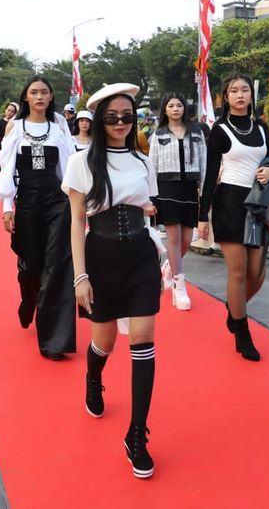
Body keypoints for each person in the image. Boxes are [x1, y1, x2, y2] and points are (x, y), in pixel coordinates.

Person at [63, 83, 161, 479]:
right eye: (112, 117)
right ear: (100, 120)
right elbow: (76, 222)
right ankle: (93, 378)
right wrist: (80, 276)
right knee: (103, 342)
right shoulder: (81, 162)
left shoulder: (142, 159)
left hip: (140, 256)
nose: (121, 123)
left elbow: (149, 206)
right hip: (100, 258)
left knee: (142, 337)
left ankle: (137, 434)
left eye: (127, 116)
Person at [0, 75, 76, 360]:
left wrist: (78, 206)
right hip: (27, 204)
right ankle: (28, 300)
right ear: (26, 97)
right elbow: (7, 171)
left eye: (44, 92)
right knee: (30, 268)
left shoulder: (59, 128)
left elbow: (68, 171)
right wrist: (8, 207)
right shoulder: (14, 127)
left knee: (55, 267)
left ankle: (54, 340)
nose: (40, 96)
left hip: (57, 203)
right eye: (34, 92)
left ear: (51, 96)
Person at [198, 74, 269, 361]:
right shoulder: (219, 130)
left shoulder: (262, 126)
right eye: (234, 90)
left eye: (245, 89)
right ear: (225, 97)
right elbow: (209, 176)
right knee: (239, 272)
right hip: (229, 201)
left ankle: (234, 310)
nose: (240, 94)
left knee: (257, 272)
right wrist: (202, 216)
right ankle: (242, 332)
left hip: (258, 201)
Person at [149, 93, 206, 311]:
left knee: (186, 240)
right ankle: (179, 285)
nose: (175, 109)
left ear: (185, 108)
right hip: (166, 187)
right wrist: (151, 197)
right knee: (173, 236)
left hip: (189, 189)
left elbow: (204, 164)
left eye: (179, 105)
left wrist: (204, 195)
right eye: (171, 105)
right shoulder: (158, 135)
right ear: (164, 109)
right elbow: (151, 167)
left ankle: (169, 267)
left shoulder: (197, 133)